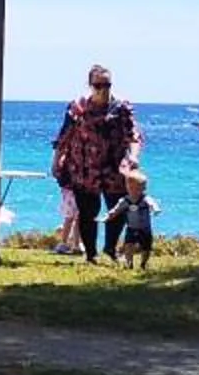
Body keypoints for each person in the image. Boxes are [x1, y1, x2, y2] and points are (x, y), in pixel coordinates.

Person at [51, 64, 138, 263]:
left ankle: (110, 247)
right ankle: (91, 253)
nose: (103, 89)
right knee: (88, 212)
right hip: (84, 168)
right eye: (98, 85)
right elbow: (63, 136)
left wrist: (133, 157)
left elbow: (133, 136)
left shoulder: (121, 107)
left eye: (106, 84)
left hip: (114, 167)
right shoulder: (78, 107)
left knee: (119, 208)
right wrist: (56, 160)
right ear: (90, 85)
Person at [103, 169, 160, 269]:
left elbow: (152, 203)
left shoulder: (145, 198)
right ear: (128, 187)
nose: (136, 191)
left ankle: (143, 263)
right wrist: (109, 216)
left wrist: (155, 209)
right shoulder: (125, 200)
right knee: (128, 246)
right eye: (132, 188)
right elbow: (116, 209)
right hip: (131, 228)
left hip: (144, 228)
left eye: (140, 188)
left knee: (146, 248)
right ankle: (129, 263)